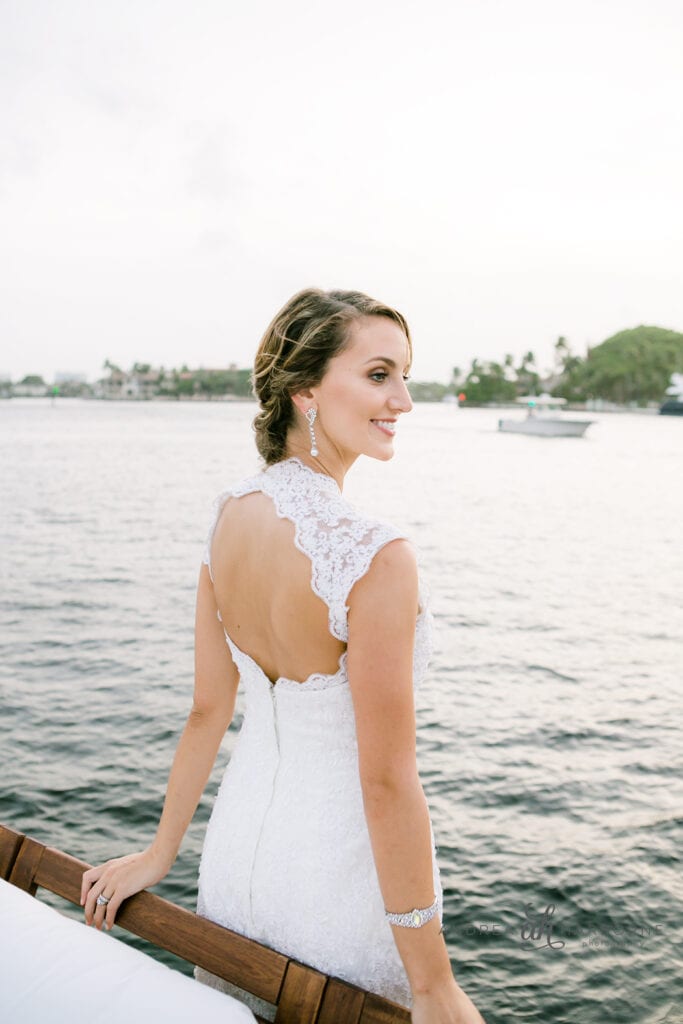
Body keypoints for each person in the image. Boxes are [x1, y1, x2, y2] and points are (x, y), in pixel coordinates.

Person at [81, 289, 486, 1024]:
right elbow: (387, 781)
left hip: (237, 871)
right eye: (377, 374)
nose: (403, 399)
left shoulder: (226, 517)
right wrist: (431, 983)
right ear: (306, 390)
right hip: (337, 884)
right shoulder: (375, 556)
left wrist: (159, 853)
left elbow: (208, 709)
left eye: (405, 376)